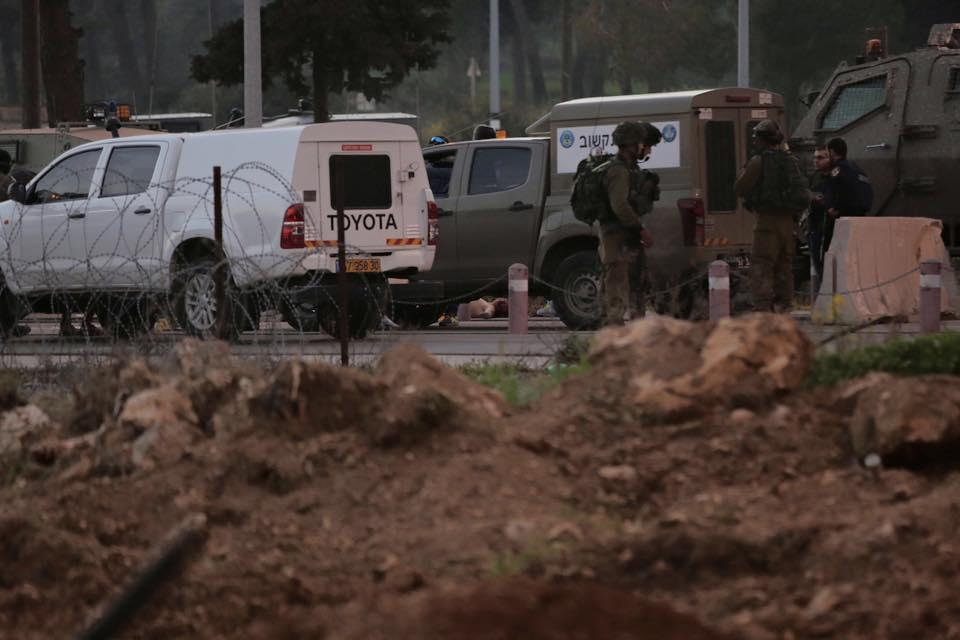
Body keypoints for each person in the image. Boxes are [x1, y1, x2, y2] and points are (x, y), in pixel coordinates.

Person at [734, 119, 809, 312]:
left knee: (762, 264)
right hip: (788, 223)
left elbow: (740, 187)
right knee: (784, 266)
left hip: (767, 222)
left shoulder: (758, 161)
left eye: (756, 139)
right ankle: (785, 306)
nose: (754, 142)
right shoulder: (791, 161)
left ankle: (763, 310)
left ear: (761, 140)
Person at [598, 121, 661, 326]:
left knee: (637, 282)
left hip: (627, 234)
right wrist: (641, 230)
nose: (646, 149)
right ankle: (614, 330)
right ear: (632, 144)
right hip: (615, 234)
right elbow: (620, 206)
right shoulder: (618, 171)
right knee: (616, 284)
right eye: (643, 144)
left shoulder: (629, 169)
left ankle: (637, 328)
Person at [822, 137, 873, 257]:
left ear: (832, 152)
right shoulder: (857, 169)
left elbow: (840, 189)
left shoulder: (838, 169)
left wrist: (835, 208)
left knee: (834, 253)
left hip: (843, 218)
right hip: (860, 217)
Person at [808, 145, 833, 282]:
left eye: (820, 157)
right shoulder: (814, 177)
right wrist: (811, 196)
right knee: (816, 258)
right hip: (815, 224)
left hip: (830, 224)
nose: (816, 161)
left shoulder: (835, 176)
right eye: (815, 157)